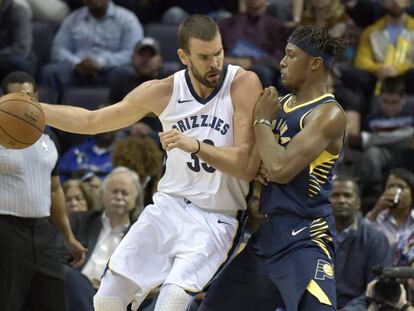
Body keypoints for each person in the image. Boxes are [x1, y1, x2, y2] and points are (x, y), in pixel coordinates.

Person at [40, 14, 262, 311]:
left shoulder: (242, 83)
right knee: (106, 299)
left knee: (170, 302)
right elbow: (92, 121)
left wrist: (193, 145)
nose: (215, 63)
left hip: (216, 216)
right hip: (168, 206)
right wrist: (36, 110)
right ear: (184, 56)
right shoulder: (163, 91)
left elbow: (246, 164)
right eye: (205, 57)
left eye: (219, 53)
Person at [199, 25, 347, 311]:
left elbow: (280, 169)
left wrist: (262, 123)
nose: (282, 62)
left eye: (291, 56)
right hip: (268, 234)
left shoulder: (328, 114)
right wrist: (256, 169)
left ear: (315, 63)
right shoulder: (276, 104)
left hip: (305, 237)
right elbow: (255, 164)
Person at [0, 71, 86, 311]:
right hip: (5, 229)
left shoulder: (49, 136)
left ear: (36, 97)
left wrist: (68, 237)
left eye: (28, 95)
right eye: (16, 96)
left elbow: (55, 189)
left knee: (52, 300)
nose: (24, 100)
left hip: (43, 231)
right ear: (5, 99)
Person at [62, 167, 142, 311]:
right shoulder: (80, 222)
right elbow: (60, 259)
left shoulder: (139, 236)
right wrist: (82, 284)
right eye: (114, 191)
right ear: (102, 195)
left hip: (113, 300)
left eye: (125, 193)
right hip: (75, 290)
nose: (119, 197)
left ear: (135, 200)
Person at [330, 176, 391, 310]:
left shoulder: (376, 240)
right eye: (335, 195)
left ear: (358, 203)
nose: (341, 200)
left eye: (347, 195)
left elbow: (377, 289)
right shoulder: (314, 236)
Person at [367, 168, 414, 245]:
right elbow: (360, 240)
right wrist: (376, 211)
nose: (395, 191)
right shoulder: (376, 218)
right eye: (390, 187)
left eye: (401, 187)